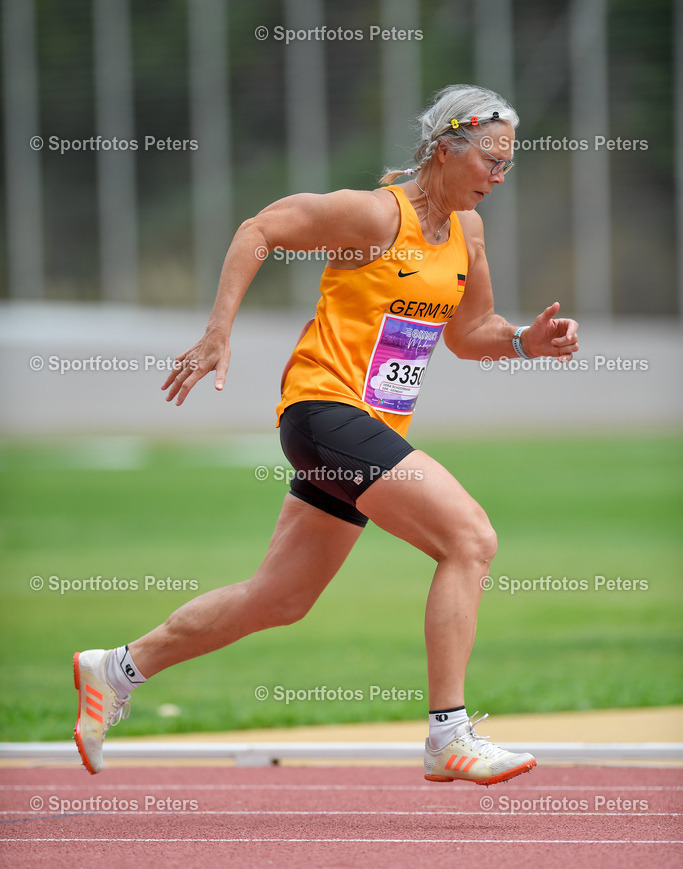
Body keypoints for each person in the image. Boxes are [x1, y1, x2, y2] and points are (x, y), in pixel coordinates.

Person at [73, 84, 579, 784]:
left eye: (508, 165)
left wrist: (527, 342)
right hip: (323, 411)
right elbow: (260, 229)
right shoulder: (372, 214)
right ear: (443, 149)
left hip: (357, 431)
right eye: (492, 159)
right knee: (469, 538)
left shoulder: (466, 232)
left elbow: (469, 335)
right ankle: (448, 735)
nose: (500, 175)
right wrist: (218, 333)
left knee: (280, 598)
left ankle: (115, 669)